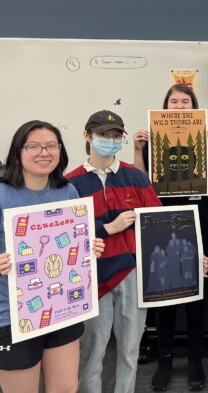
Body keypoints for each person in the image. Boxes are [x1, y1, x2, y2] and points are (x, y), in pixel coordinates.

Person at [0, 120, 104, 393]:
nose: (43, 152)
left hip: (61, 308)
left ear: (60, 151)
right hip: (13, 316)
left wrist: (88, 248)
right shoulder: (1, 194)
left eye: (51, 146)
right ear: (18, 151)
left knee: (65, 389)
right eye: (33, 146)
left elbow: (72, 241)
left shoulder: (67, 191)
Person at [134, 83, 208, 391]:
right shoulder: (150, 140)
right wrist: (137, 150)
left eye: (186, 101)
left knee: (196, 297)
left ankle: (196, 359)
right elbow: (143, 186)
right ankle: (166, 359)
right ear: (166, 105)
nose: (180, 106)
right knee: (164, 297)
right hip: (159, 221)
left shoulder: (206, 138)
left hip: (195, 219)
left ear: (194, 106)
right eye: (174, 101)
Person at [66, 110, 161, 393]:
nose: (110, 141)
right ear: (87, 136)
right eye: (103, 135)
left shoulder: (136, 177)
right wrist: (107, 228)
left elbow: (157, 223)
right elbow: (65, 237)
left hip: (132, 274)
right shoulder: (71, 183)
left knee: (130, 353)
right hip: (92, 278)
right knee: (92, 355)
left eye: (116, 136)